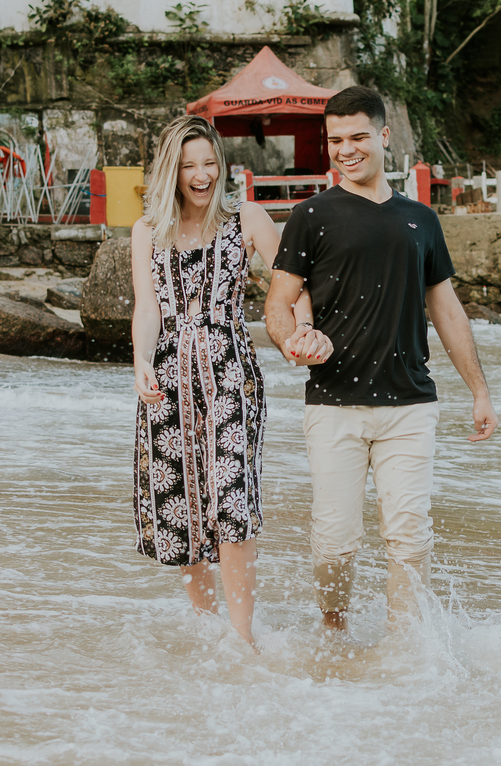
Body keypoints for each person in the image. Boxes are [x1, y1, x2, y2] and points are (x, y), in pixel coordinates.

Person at [264, 86, 498, 633]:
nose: (346, 149)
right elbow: (277, 302)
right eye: (336, 140)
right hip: (334, 404)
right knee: (334, 544)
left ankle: (404, 648)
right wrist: (293, 340)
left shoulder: (421, 220)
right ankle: (333, 630)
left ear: (384, 137)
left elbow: (447, 311)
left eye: (358, 137)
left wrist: (479, 391)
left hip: (410, 405)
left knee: (410, 539)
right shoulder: (310, 216)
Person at [130, 115, 332, 647]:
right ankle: (206, 627)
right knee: (183, 503)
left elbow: (293, 287)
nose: (202, 175)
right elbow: (147, 307)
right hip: (169, 378)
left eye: (209, 162)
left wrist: (303, 329)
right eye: (190, 165)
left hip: (230, 374)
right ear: (172, 171)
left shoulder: (248, 218)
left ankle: (242, 639)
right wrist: (141, 360)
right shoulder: (148, 230)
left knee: (231, 500)